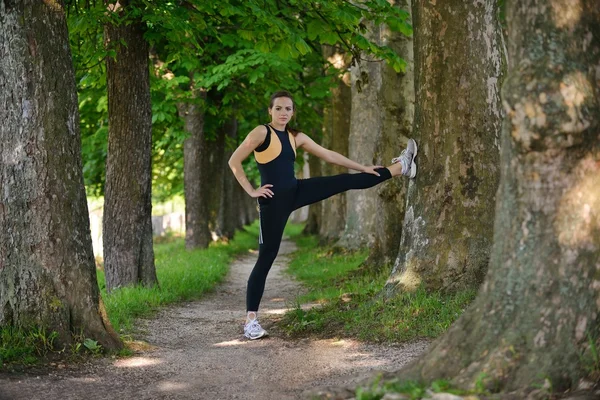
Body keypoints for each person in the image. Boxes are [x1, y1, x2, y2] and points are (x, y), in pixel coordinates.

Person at [228, 90, 417, 340]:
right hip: (272, 203)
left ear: (293, 112)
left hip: (297, 191)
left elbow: (329, 155)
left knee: (343, 181)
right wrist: (252, 190)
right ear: (270, 111)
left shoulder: (297, 137)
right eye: (278, 108)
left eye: (288, 109)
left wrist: (362, 167)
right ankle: (251, 320)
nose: (284, 113)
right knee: (266, 258)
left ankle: (401, 167)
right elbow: (234, 161)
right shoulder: (261, 132)